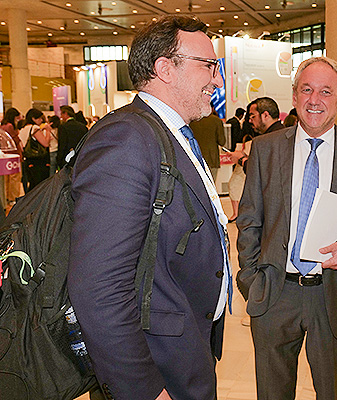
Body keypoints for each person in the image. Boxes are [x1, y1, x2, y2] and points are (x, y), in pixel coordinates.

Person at [67, 15, 230, 400]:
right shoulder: (127, 139)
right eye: (209, 66)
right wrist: (143, 389)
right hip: (154, 368)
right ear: (164, 69)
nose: (218, 80)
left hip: (183, 350)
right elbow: (98, 287)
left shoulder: (165, 133)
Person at [236, 56, 337, 400]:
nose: (314, 100)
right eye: (306, 90)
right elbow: (249, 219)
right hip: (275, 292)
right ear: (294, 95)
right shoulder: (265, 149)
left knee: (331, 392)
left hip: (331, 294)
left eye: (325, 91)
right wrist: (251, 279)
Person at [232, 96, 285, 171]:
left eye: (253, 116)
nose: (250, 121)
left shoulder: (262, 141)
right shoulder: (288, 135)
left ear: (265, 115)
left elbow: (258, 172)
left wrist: (241, 160)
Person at [19, 108, 51, 192]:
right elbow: (45, 143)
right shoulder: (35, 128)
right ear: (33, 118)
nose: (41, 120)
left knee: (32, 184)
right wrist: (48, 131)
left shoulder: (23, 129)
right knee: (39, 185)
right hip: (38, 161)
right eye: (39, 118)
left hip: (28, 160)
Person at [189, 107, 225, 181]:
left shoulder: (192, 121)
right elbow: (222, 141)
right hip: (212, 159)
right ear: (212, 108)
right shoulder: (216, 121)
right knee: (210, 185)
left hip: (195, 158)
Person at [1, 108, 24, 204]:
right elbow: (15, 140)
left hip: (5, 156)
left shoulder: (3, 125)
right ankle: (13, 198)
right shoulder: (10, 126)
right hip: (14, 154)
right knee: (15, 178)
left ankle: (6, 198)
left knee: (6, 179)